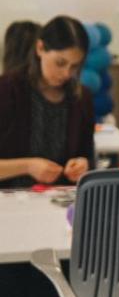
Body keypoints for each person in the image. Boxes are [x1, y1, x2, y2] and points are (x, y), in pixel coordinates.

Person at [0, 15, 93, 189]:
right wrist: (27, 166)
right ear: (40, 48)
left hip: (62, 201)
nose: (66, 73)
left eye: (75, 66)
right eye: (60, 63)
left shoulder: (81, 97)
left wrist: (82, 164)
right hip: (11, 201)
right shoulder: (7, 90)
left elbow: (87, 155)